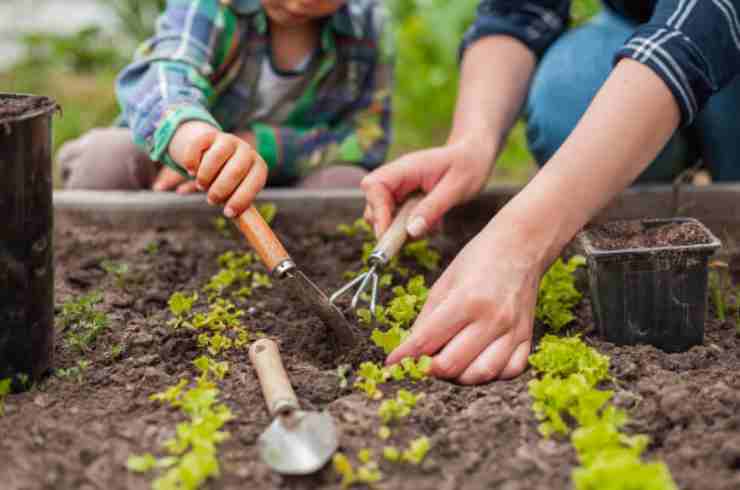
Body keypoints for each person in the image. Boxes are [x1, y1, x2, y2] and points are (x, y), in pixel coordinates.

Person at [361, 0, 740, 384]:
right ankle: (655, 151)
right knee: (566, 102)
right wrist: (472, 142)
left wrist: (520, 241)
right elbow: (517, 11)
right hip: (640, 18)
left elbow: (701, 23)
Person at [59, 0, 393, 216]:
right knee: (106, 156)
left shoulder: (367, 25)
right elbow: (167, 70)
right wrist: (192, 140)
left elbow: (367, 139)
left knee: (350, 183)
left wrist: (260, 147)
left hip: (283, 185)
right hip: (173, 163)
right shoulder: (212, 6)